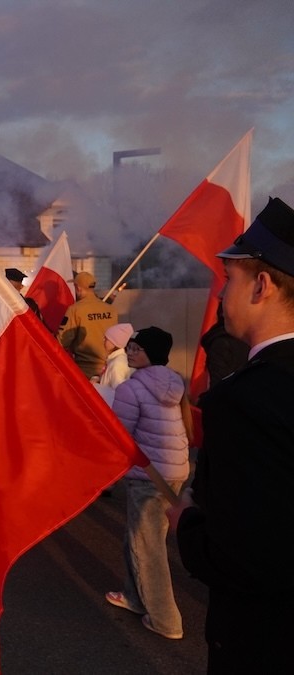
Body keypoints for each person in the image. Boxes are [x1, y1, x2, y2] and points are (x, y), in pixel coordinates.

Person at [171, 197, 294, 671]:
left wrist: (186, 525)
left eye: (229, 280)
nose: (222, 296)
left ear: (262, 285)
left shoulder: (246, 401)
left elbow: (247, 559)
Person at [105, 326, 190, 640]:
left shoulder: (132, 389)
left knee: (148, 546)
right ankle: (135, 597)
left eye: (136, 349)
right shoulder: (174, 382)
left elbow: (120, 436)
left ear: (150, 353)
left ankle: (165, 620)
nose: (129, 352)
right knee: (140, 538)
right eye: (129, 347)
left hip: (147, 475)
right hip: (174, 472)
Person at [58, 271, 119, 379]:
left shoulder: (75, 310)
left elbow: (62, 341)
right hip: (109, 370)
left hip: (85, 371)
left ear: (78, 288)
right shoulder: (111, 309)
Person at [100, 322, 135, 390]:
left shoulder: (117, 364)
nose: (103, 340)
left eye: (106, 339)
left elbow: (119, 389)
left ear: (115, 343)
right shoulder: (114, 359)